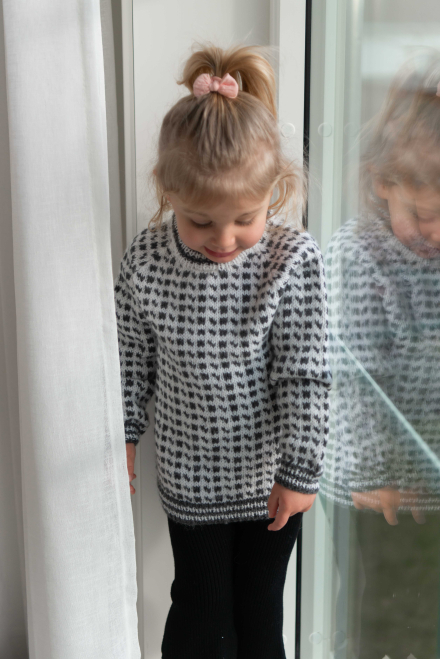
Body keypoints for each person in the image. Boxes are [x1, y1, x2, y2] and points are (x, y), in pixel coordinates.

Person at [114, 43, 332, 659]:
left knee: (261, 613)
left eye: (244, 218)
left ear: (275, 193)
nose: (225, 239)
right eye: (201, 221)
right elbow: (129, 360)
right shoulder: (147, 261)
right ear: (168, 192)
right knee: (201, 611)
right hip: (189, 477)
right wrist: (123, 436)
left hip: (272, 482)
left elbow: (307, 374)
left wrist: (300, 470)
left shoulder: (292, 260)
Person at [321, 53, 440, 658]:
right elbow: (350, 380)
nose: (436, 233)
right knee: (381, 619)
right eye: (424, 215)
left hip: (429, 478)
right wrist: (377, 478)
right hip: (374, 491)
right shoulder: (358, 255)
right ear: (381, 183)